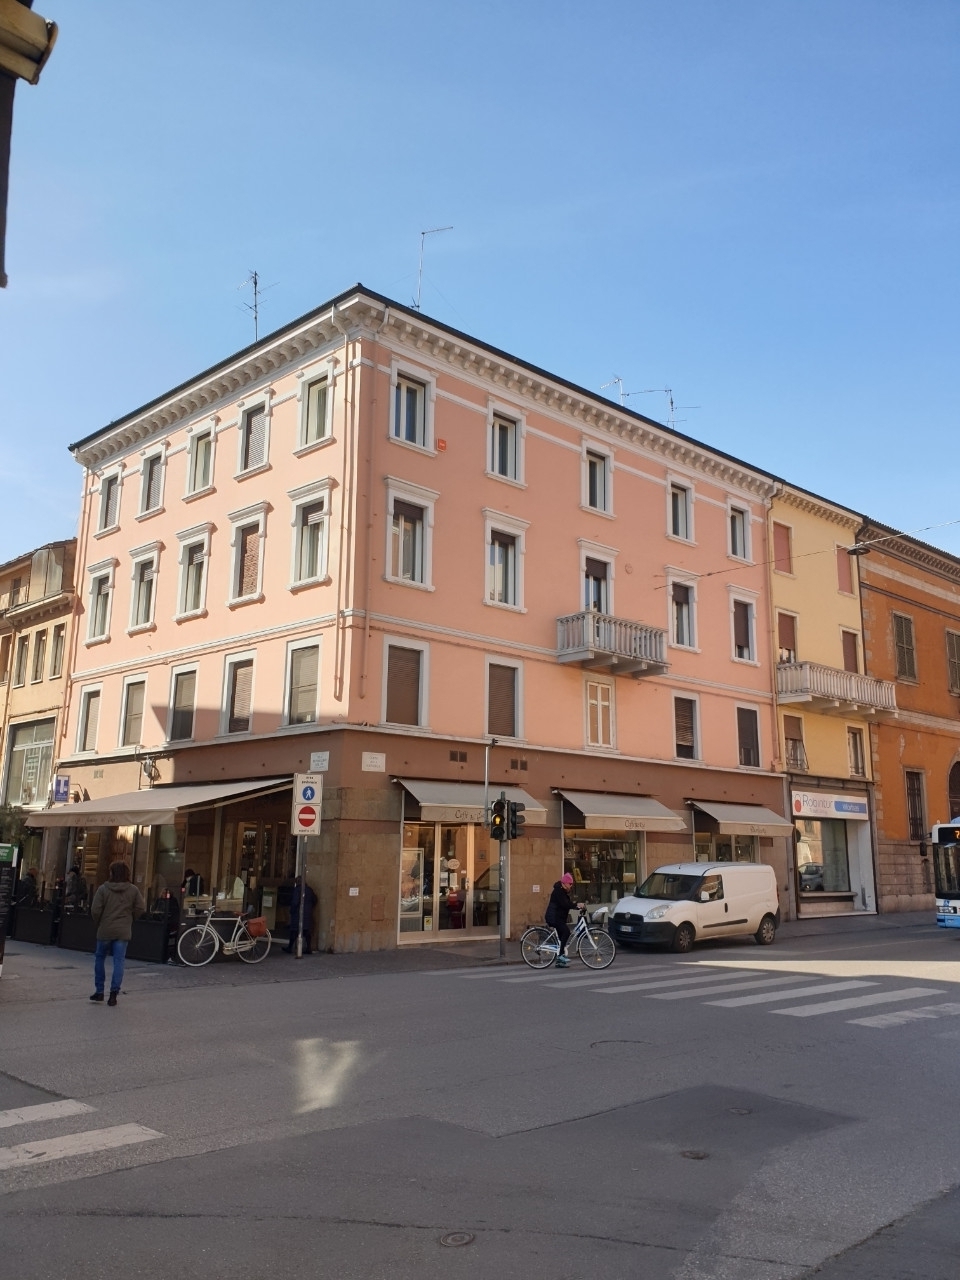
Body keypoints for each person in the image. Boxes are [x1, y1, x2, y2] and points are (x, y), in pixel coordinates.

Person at [89, 862, 144, 1006]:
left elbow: (95, 910)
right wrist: (131, 919)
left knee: (100, 958)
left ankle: (99, 991)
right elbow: (140, 907)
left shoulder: (103, 889)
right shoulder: (133, 890)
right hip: (123, 930)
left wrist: (99, 922)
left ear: (112, 873)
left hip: (105, 929)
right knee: (119, 961)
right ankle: (114, 993)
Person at [545, 872, 581, 968]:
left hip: (559, 917)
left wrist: (576, 906)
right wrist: (576, 905)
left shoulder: (563, 891)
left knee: (561, 939)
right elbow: (565, 904)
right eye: (570, 884)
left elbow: (567, 903)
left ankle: (559, 962)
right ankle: (561, 956)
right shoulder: (558, 891)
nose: (571, 886)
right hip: (554, 917)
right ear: (564, 883)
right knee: (566, 932)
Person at [284, 875, 317, 954]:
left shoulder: (297, 890)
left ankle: (290, 947)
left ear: (297, 882)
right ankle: (308, 948)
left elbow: (295, 902)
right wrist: (309, 907)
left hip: (298, 914)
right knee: (307, 931)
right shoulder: (309, 890)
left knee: (294, 930)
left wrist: (292, 911)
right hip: (308, 913)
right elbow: (315, 899)